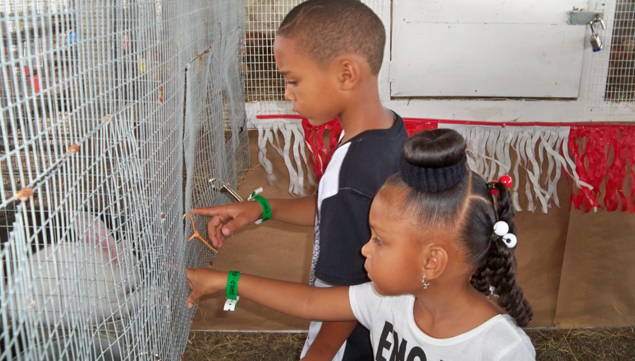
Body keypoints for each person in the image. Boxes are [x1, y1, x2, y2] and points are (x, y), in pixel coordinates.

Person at [187, 129, 536, 361]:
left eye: (379, 241)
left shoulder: (502, 351)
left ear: (432, 262)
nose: (365, 249)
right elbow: (309, 302)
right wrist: (221, 281)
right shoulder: (389, 300)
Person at [192, 1, 407, 360]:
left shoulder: (354, 170)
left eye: (293, 80)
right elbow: (333, 205)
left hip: (348, 344)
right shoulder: (385, 132)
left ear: (346, 74)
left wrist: (317, 355)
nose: (287, 94)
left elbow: (349, 298)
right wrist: (261, 208)